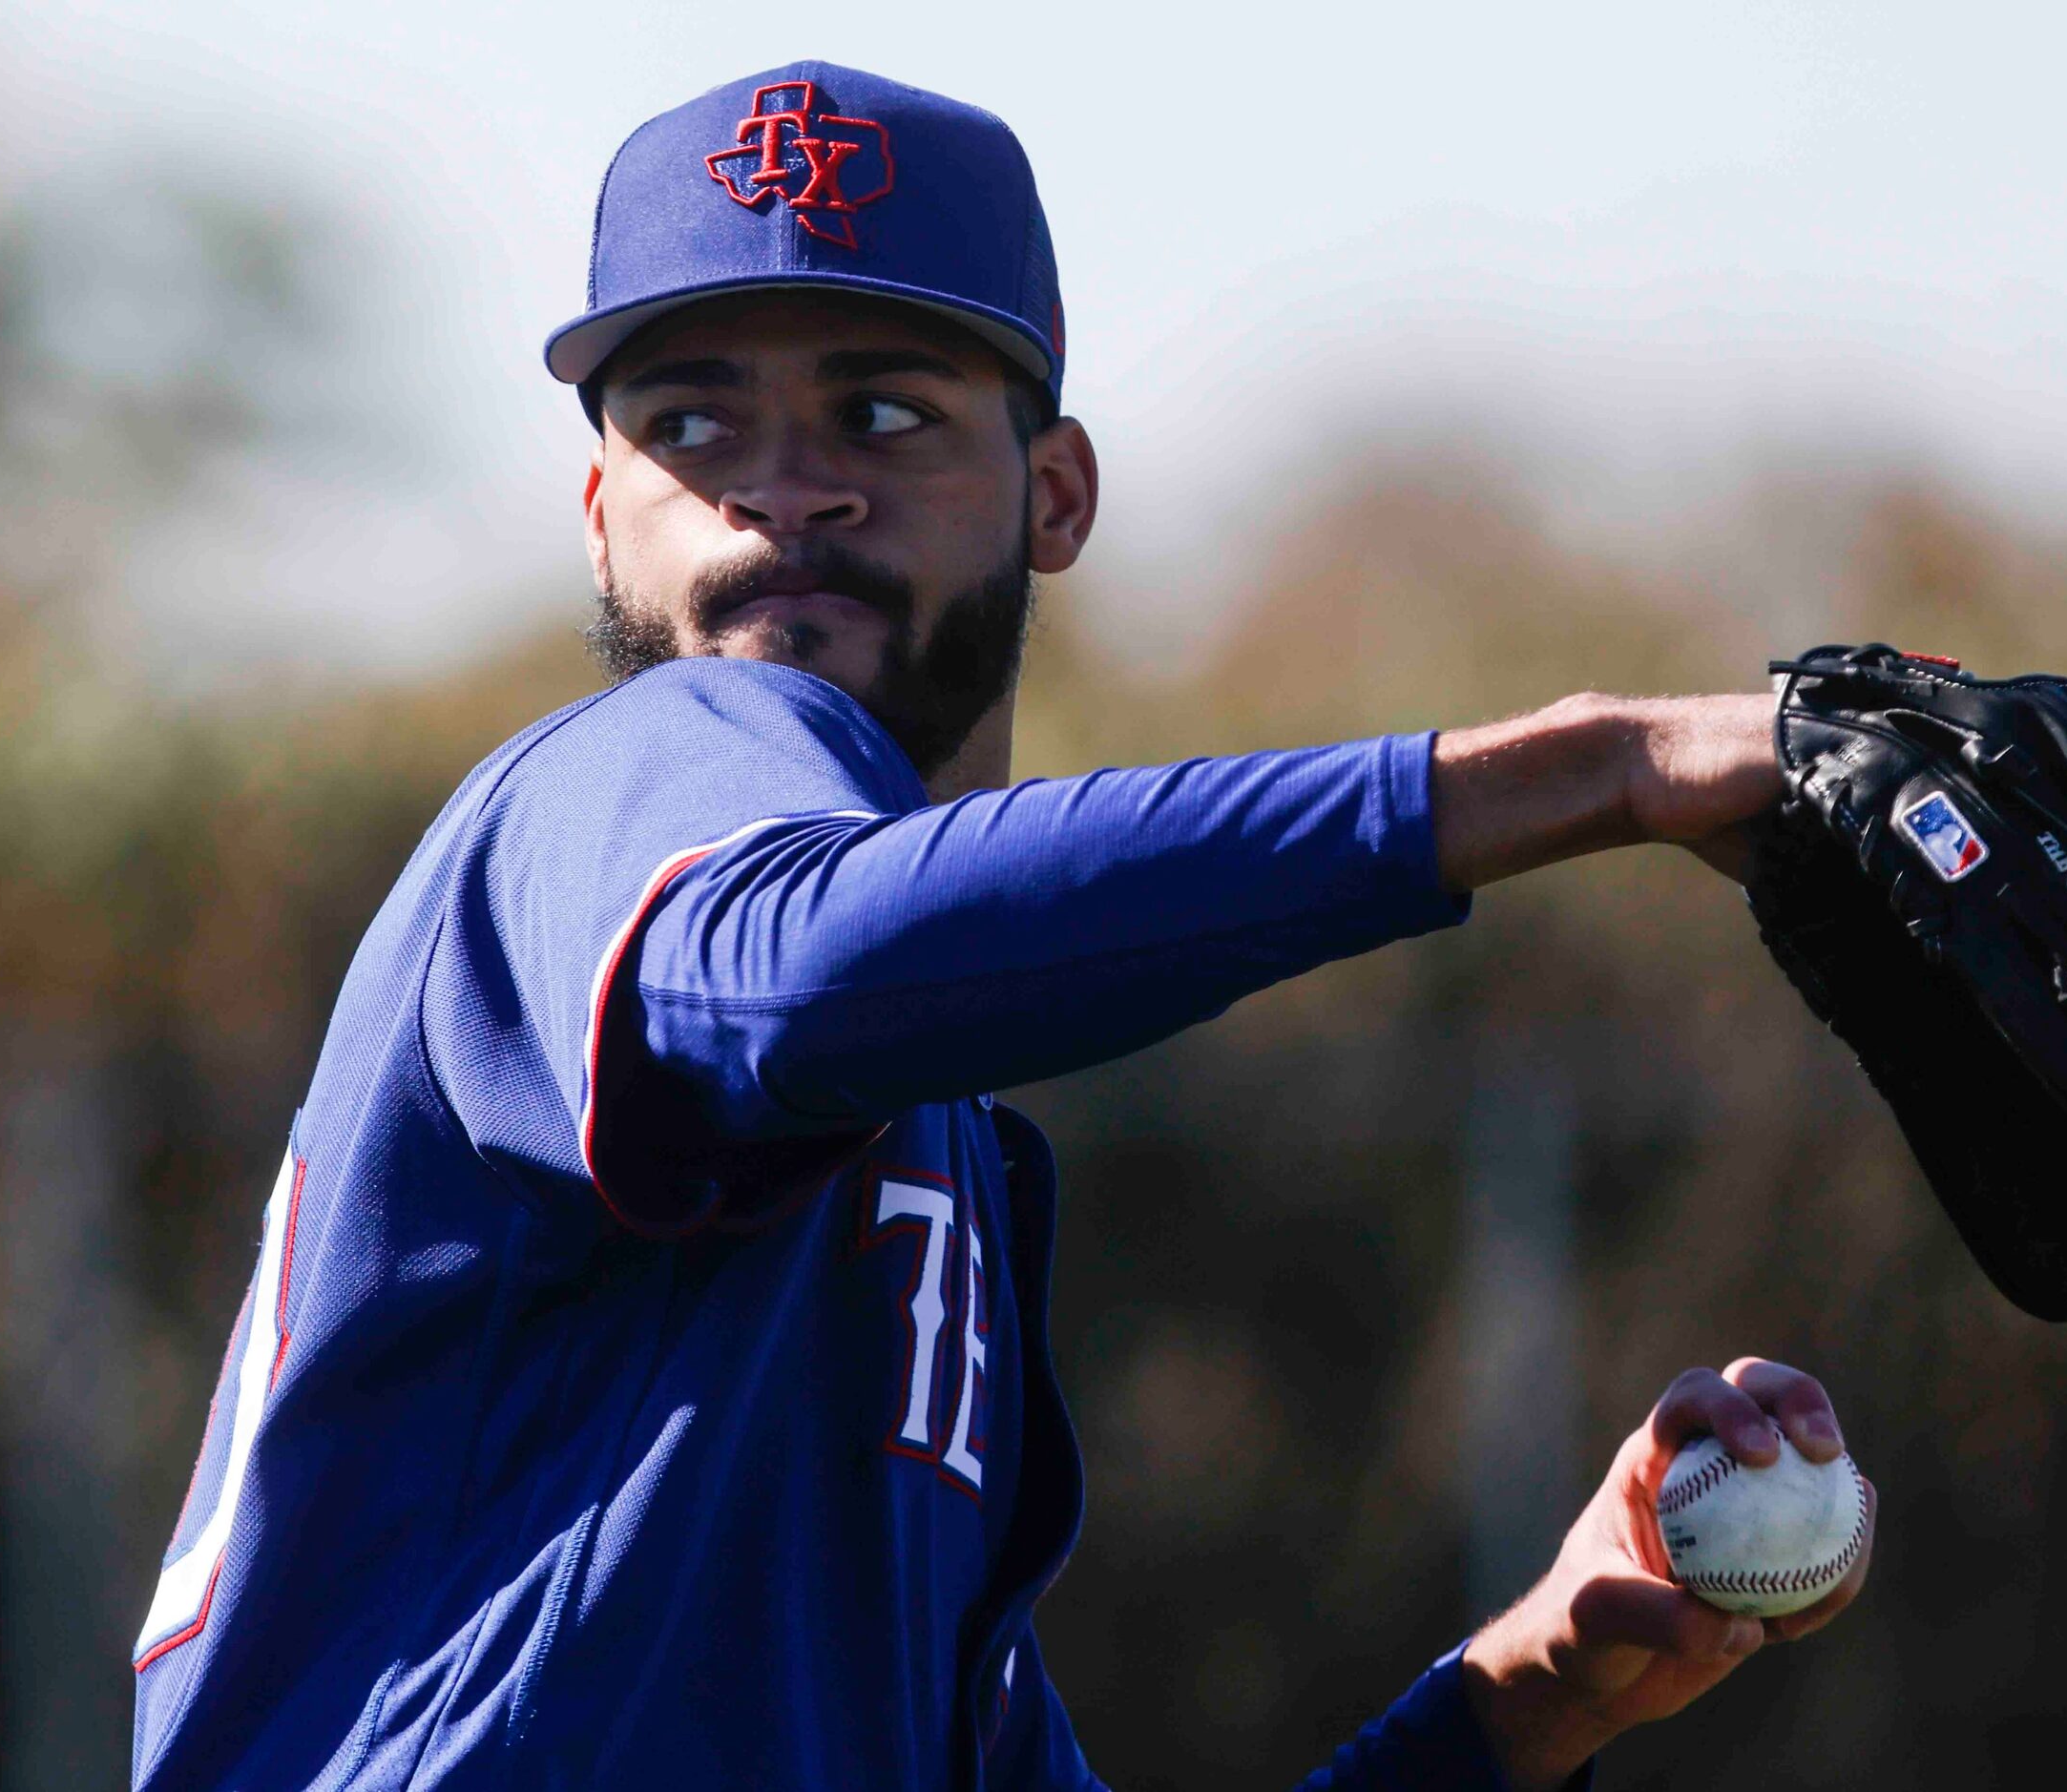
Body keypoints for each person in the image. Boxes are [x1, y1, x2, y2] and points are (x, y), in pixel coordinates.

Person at [128, 62, 1895, 1790]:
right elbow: (797, 966)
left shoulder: (928, 1144)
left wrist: (1526, 1698)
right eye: (689, 422)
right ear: (603, 518)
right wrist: (1610, 770)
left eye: (882, 414)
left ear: (1056, 495)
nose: (780, 489)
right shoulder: (628, 777)